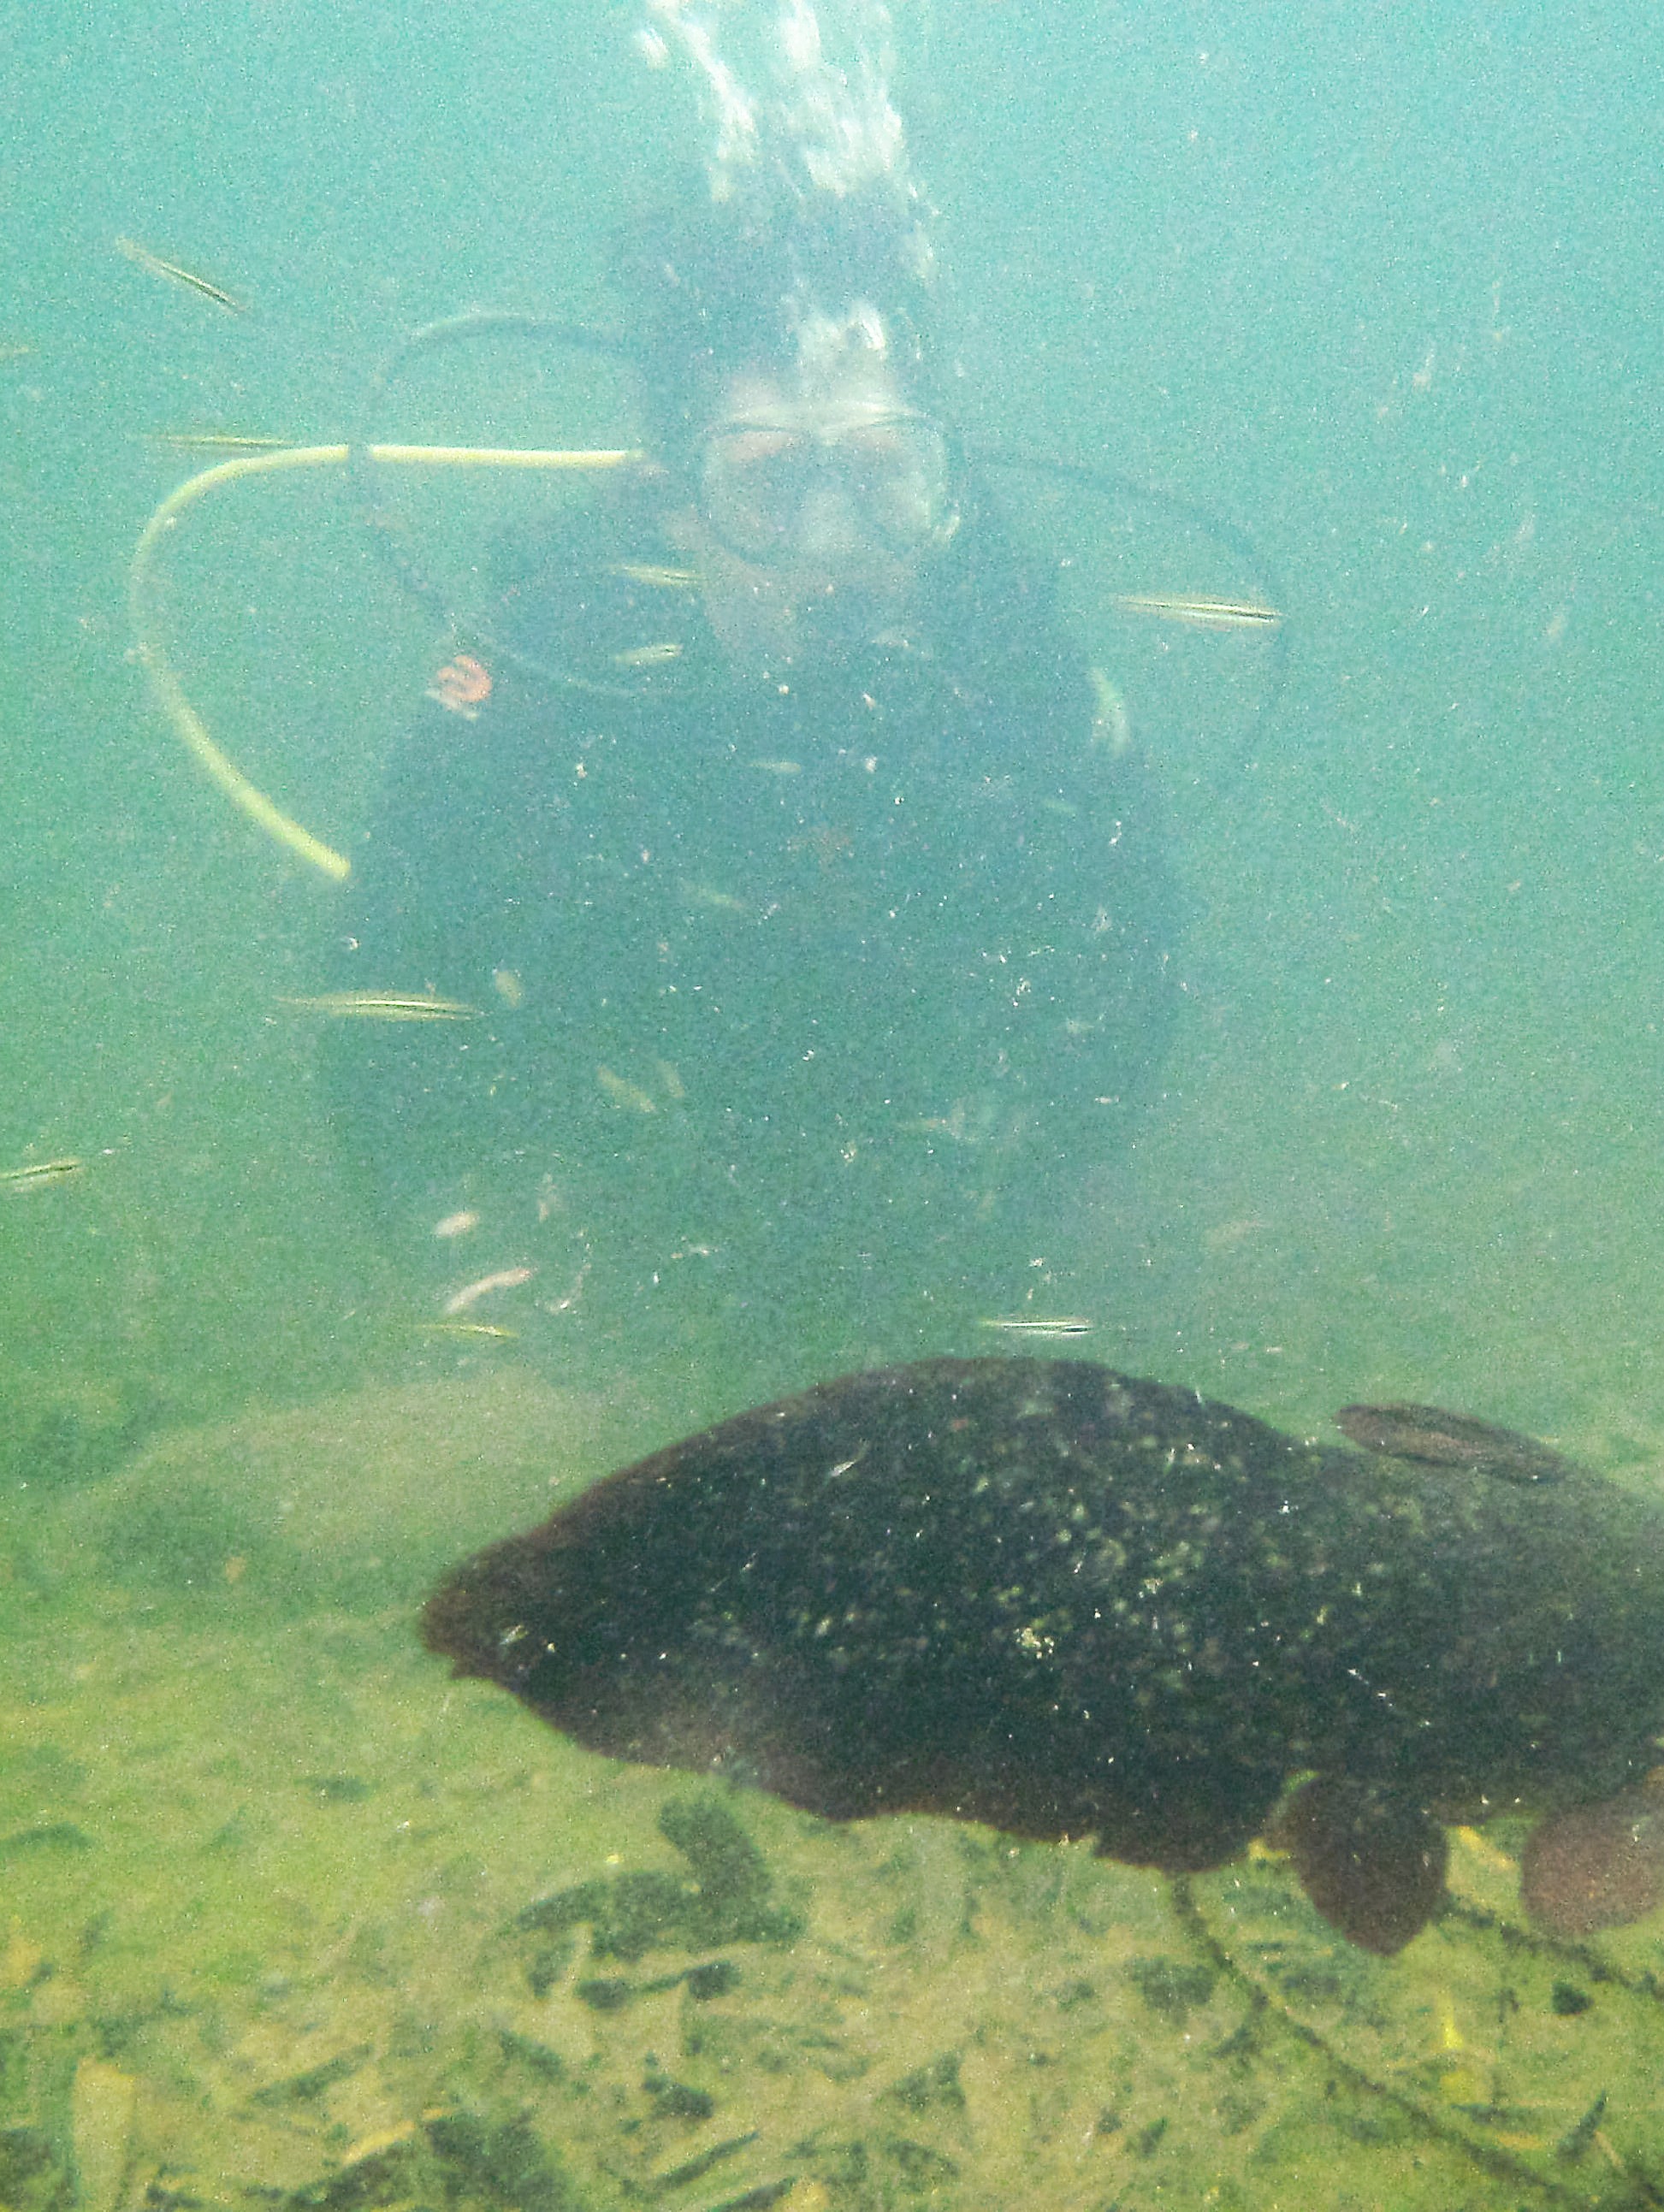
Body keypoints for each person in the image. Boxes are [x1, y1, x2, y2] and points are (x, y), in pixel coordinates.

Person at [315, 9, 1181, 1365]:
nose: (836, 547)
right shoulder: (538, 688)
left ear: (942, 481)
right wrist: (507, 1293)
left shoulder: (1027, 689)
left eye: (884, 471)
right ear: (669, 501)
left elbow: (1128, 982)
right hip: (624, 1266)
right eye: (771, 481)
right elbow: (386, 1027)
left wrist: (1009, 1203)